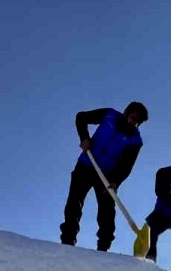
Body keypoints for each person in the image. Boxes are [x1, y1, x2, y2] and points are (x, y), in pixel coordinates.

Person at [59, 102, 148, 251]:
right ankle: (68, 242)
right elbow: (81, 117)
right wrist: (84, 138)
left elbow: (127, 166)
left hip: (107, 176)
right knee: (74, 203)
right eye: (133, 118)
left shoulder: (135, 140)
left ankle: (103, 248)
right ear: (126, 112)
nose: (135, 124)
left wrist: (115, 182)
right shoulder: (109, 115)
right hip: (86, 165)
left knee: (107, 212)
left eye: (138, 122)